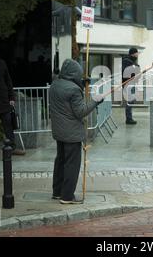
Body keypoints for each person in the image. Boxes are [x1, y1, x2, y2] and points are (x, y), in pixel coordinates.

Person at [49, 59, 102, 204]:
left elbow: (67, 102)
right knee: (72, 165)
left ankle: (57, 192)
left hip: (59, 132)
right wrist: (96, 101)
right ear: (74, 74)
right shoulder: (73, 90)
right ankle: (67, 196)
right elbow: (81, 111)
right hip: (71, 134)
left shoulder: (55, 84)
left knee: (60, 161)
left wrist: (80, 82)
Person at [122, 47, 140, 125]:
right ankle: (128, 119)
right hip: (128, 84)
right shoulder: (127, 61)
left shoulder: (132, 61)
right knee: (130, 101)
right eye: (136, 53)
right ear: (133, 53)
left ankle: (129, 117)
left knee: (131, 100)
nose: (137, 54)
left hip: (132, 83)